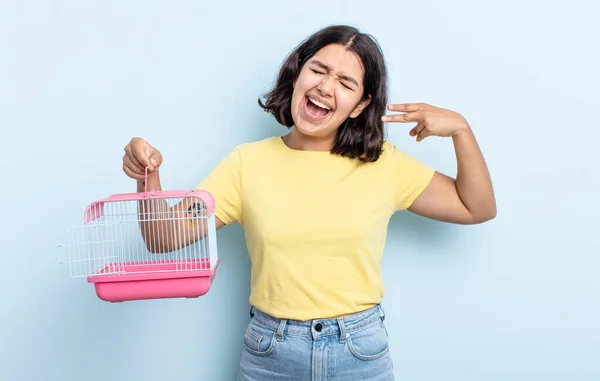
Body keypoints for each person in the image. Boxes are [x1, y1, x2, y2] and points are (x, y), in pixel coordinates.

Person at [122, 25, 496, 381]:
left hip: (358, 350)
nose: (325, 86)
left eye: (346, 83)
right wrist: (147, 176)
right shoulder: (245, 164)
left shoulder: (383, 163)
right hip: (270, 351)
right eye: (318, 69)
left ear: (359, 105)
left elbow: (475, 207)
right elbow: (162, 239)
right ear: (298, 74)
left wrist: (461, 129)